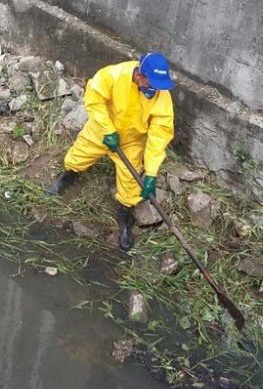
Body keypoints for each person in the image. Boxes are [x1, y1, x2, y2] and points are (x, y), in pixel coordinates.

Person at [47, 52, 175, 251]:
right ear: (140, 76)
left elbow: (160, 135)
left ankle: (125, 213)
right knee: (80, 153)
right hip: (103, 130)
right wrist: (108, 130)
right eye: (153, 84)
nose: (156, 90)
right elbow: (94, 97)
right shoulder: (114, 75)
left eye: (159, 86)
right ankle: (68, 175)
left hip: (131, 140)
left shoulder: (161, 97)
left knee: (131, 182)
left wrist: (151, 172)